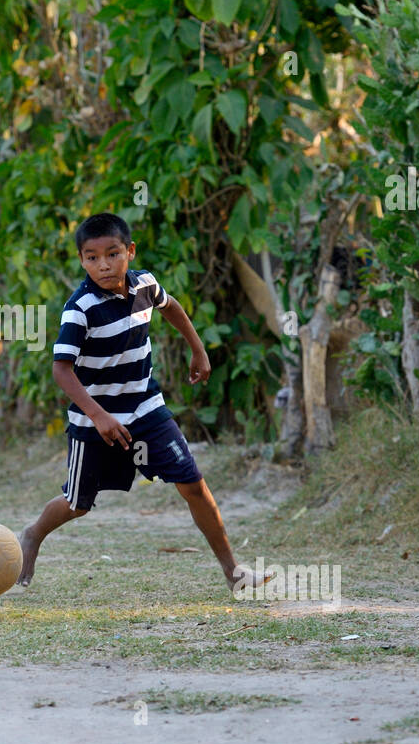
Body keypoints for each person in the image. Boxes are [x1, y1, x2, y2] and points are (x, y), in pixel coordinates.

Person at [17, 213, 271, 593]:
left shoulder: (146, 286)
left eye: (113, 253)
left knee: (193, 484)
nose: (103, 264)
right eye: (92, 257)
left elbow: (172, 308)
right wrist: (99, 416)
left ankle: (234, 573)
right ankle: (33, 535)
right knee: (78, 504)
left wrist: (198, 351)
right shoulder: (80, 308)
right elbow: (61, 370)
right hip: (94, 423)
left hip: (146, 409)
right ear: (81, 260)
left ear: (130, 252)